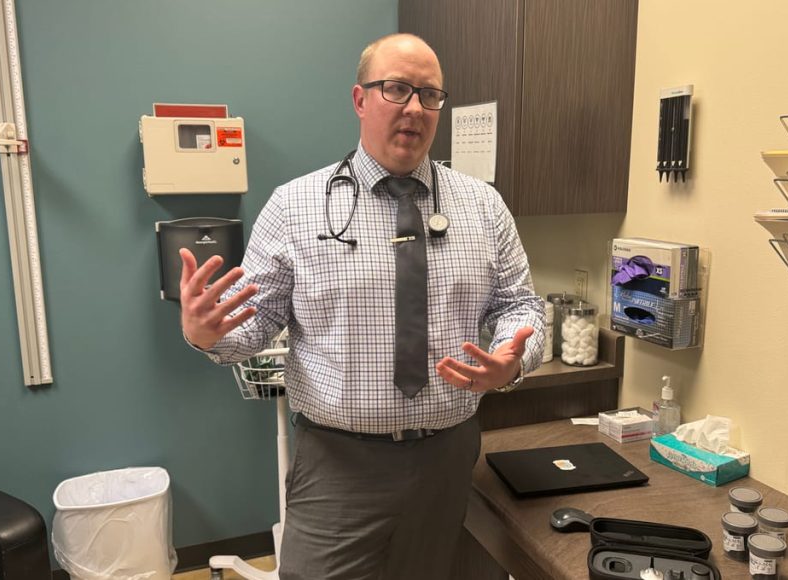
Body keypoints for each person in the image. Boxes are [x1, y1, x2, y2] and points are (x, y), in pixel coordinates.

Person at [178, 33, 545, 580]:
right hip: (337, 465)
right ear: (360, 100)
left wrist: (513, 359)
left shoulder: (483, 206)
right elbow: (250, 325)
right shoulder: (296, 206)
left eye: (430, 95)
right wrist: (204, 333)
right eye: (396, 89)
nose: (415, 109)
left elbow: (521, 305)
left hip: (446, 456)